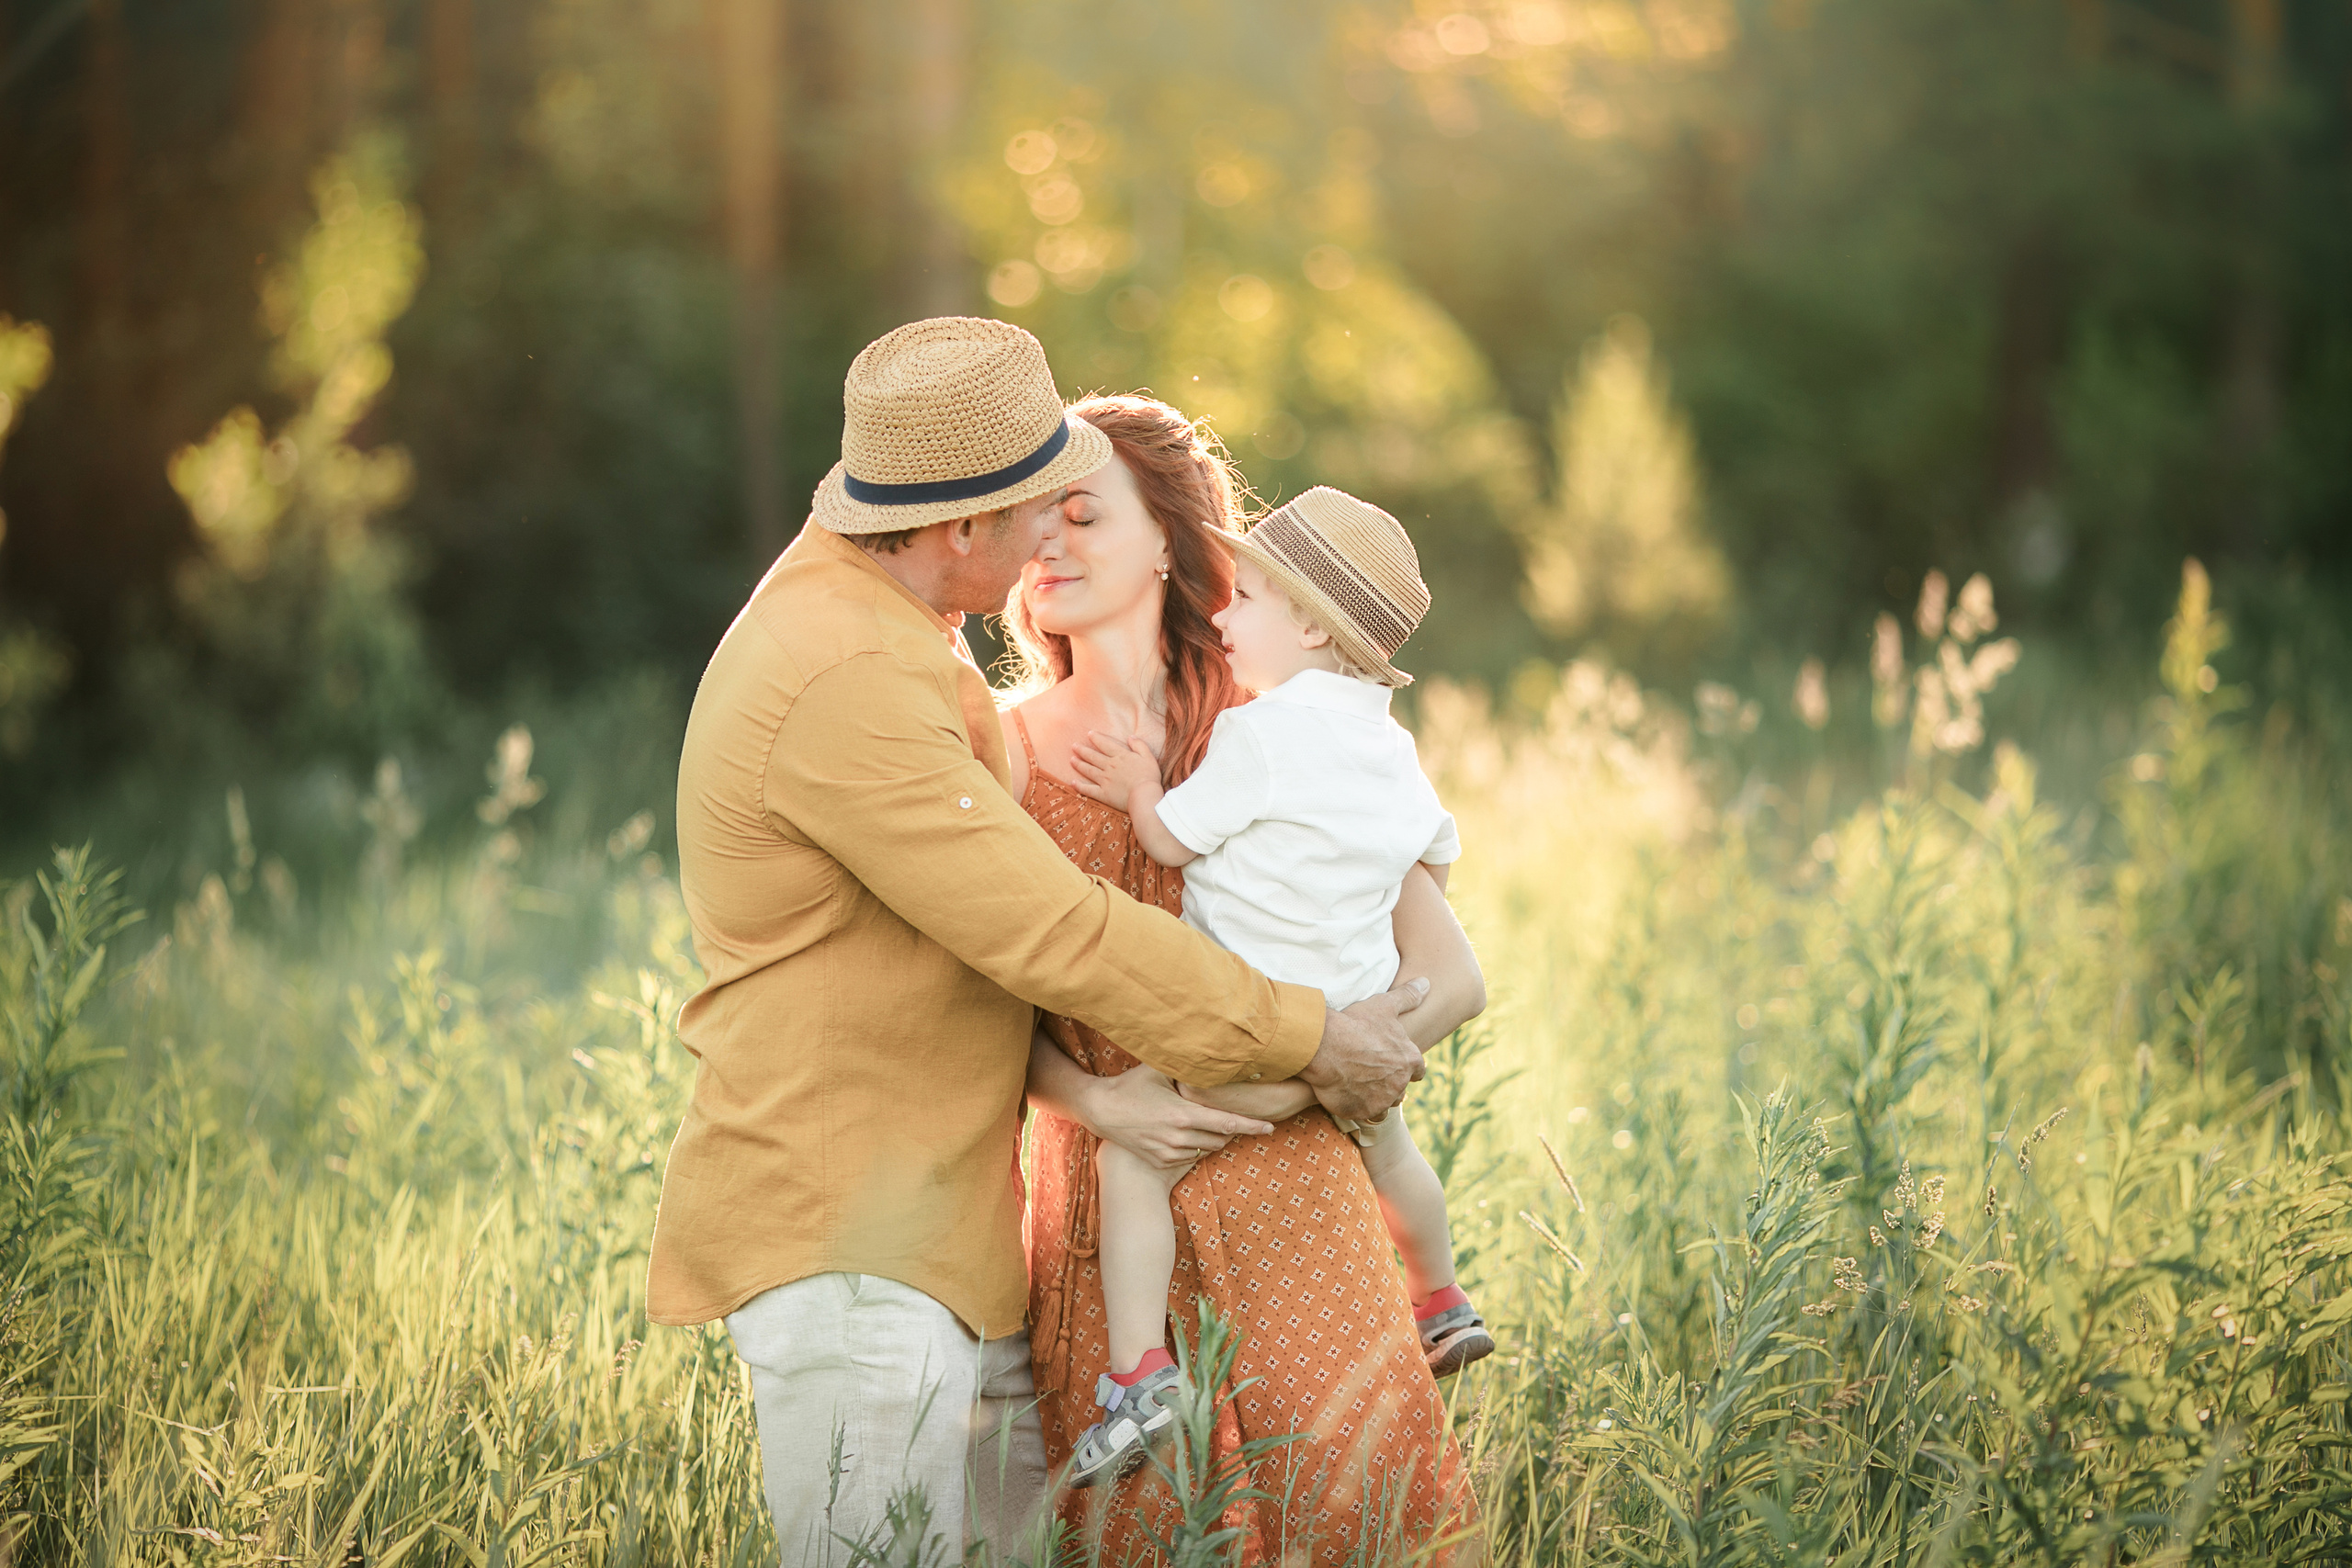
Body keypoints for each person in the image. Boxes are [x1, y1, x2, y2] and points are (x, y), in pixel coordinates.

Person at [648, 320, 1435, 1566]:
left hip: (947, 1241)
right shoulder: (844, 670)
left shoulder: (895, 634)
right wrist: (1308, 1036)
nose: (1044, 540)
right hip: (856, 1249)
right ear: (961, 529)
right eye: (1032, 509)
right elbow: (1051, 931)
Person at [1006, 399, 1485, 1563]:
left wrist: (1326, 1052)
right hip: (1116, 1212)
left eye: (1078, 511)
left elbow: (1450, 973)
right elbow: (971, 1019)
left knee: (1350, 1516)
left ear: (1173, 540)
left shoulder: (1278, 733)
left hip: (1298, 1188)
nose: (1044, 545)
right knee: (1164, 1531)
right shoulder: (1002, 748)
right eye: (1026, 523)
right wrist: (1105, 1104)